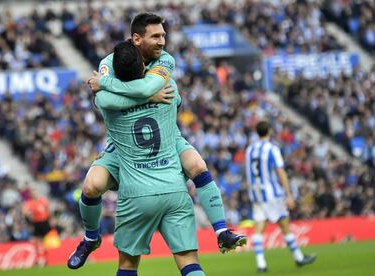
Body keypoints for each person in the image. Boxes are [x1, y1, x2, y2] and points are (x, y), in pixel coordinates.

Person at [68, 12, 246, 269]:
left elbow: (113, 95)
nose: (163, 41)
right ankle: (90, 238)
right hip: (122, 144)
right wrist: (148, 97)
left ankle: (221, 231)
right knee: (91, 186)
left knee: (198, 165)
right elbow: (136, 93)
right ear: (137, 39)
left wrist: (107, 84)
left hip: (167, 136)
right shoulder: (111, 60)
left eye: (163, 35)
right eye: (156, 36)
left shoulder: (166, 60)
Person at [103, 41, 204, 275]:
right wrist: (151, 94)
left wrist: (104, 83)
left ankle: (90, 236)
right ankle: (220, 228)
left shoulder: (109, 104)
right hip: (173, 187)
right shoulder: (168, 90)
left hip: (136, 191)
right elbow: (165, 94)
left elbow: (103, 99)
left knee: (128, 264)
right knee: (188, 260)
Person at [245, 120, 316, 273]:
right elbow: (281, 172)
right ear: (269, 131)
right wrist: (288, 194)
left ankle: (261, 263)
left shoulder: (250, 149)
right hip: (272, 193)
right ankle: (298, 258)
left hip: (256, 194)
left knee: (259, 227)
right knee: (284, 224)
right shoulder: (272, 148)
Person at [22, 188, 51, 266]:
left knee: (43, 241)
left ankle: (44, 258)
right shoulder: (29, 203)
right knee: (37, 241)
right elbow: (24, 212)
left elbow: (48, 210)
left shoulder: (42, 200)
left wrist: (50, 220)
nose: (34, 194)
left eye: (34, 192)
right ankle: (40, 258)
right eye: (32, 193)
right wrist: (28, 216)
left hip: (44, 223)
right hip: (36, 223)